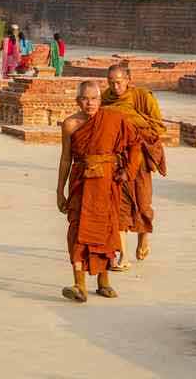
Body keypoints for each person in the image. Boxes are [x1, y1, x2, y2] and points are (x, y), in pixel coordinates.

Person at [57, 80, 139, 303]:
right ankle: (79, 285)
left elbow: (135, 144)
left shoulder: (114, 119)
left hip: (106, 183)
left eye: (94, 98)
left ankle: (103, 282)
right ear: (77, 100)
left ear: (100, 100)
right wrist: (59, 191)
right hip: (81, 182)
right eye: (85, 98)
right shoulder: (70, 124)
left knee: (106, 230)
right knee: (77, 231)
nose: (89, 103)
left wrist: (127, 171)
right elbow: (66, 159)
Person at [101, 63, 167, 268]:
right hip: (117, 159)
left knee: (143, 203)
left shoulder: (142, 97)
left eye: (119, 82)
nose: (115, 87)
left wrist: (132, 128)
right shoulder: (105, 99)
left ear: (128, 80)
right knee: (119, 206)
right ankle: (124, 256)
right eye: (111, 83)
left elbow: (158, 127)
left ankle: (143, 238)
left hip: (139, 159)